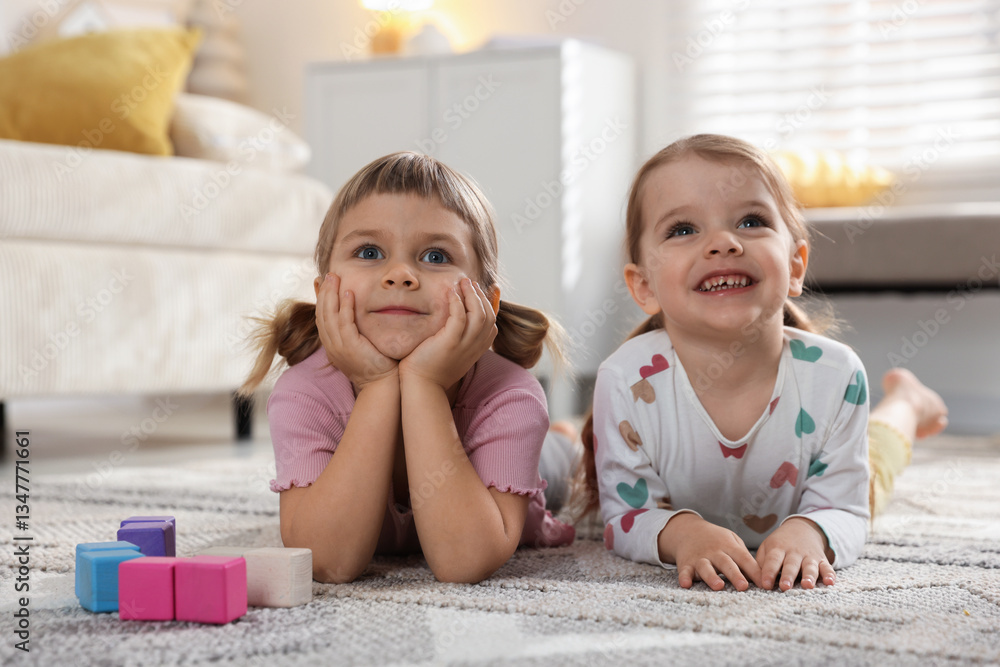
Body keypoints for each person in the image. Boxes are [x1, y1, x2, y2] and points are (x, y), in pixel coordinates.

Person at [571, 134, 948, 594]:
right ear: (643, 285)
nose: (723, 243)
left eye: (751, 221)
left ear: (796, 265)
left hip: (810, 486)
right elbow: (627, 515)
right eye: (683, 229)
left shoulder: (837, 376)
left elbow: (845, 509)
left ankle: (907, 404)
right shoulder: (624, 381)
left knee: (878, 466)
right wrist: (684, 534)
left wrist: (809, 530)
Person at [240, 152, 575, 585]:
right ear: (323, 294)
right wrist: (377, 385)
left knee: (564, 459)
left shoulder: (512, 396)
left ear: (486, 304)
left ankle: (565, 438)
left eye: (436, 256)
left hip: (537, 467)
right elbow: (326, 561)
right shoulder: (304, 393)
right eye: (369, 251)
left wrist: (424, 384)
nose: (400, 274)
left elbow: (464, 562)